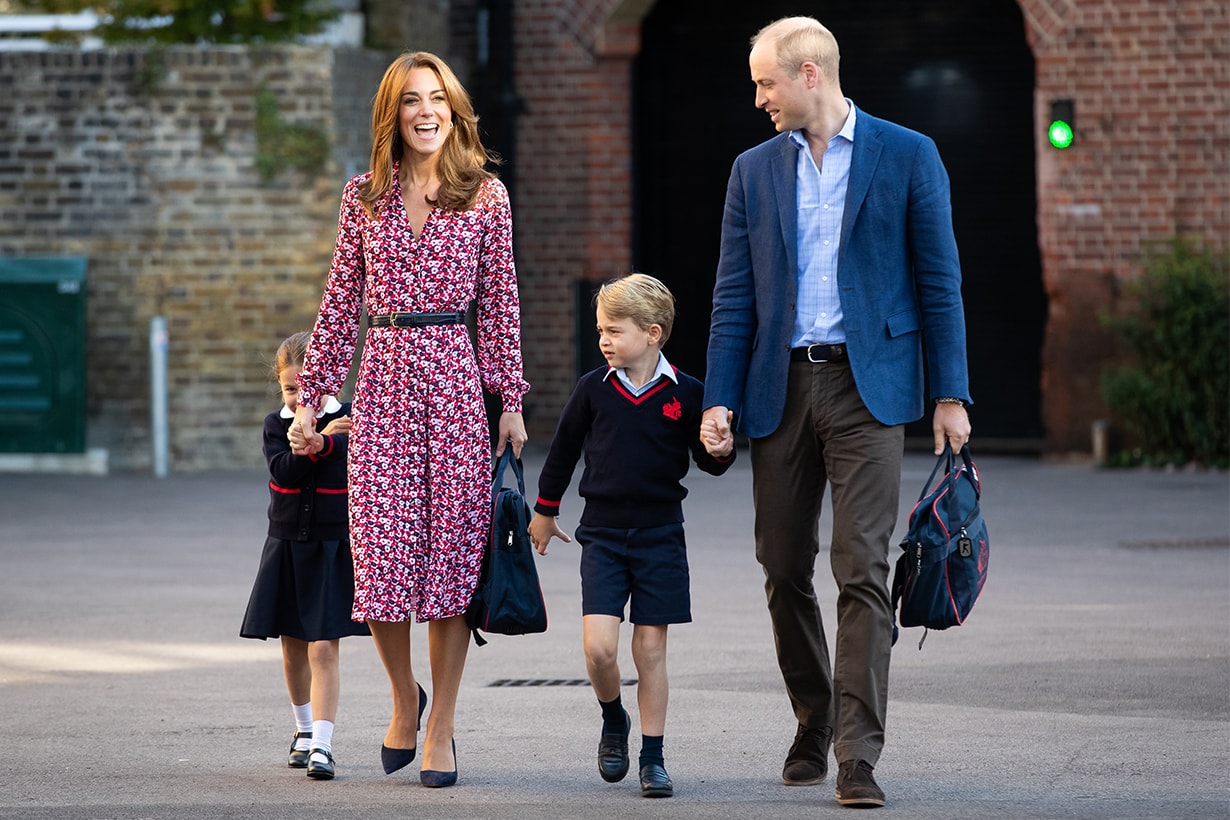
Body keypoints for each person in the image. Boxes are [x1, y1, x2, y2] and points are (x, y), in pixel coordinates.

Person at [700, 16, 972, 809]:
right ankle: (812, 716)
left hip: (869, 387)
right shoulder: (752, 171)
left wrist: (950, 394)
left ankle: (857, 751)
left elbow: (939, 281)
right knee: (782, 566)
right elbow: (733, 296)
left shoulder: (909, 154)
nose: (758, 99)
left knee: (861, 566)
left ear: (810, 73)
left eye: (766, 82)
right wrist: (717, 396)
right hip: (777, 388)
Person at [290, 51, 529, 789]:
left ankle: (444, 727)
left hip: (454, 383)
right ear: (391, 114)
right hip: (385, 385)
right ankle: (403, 700)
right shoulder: (362, 197)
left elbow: (500, 305)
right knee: (385, 559)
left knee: (451, 568)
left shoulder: (486, 197)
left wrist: (511, 399)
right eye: (410, 101)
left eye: (438, 100)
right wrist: (311, 400)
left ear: (454, 110)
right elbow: (336, 309)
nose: (426, 112)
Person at [528, 273, 735, 799]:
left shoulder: (687, 393)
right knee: (599, 650)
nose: (603, 340)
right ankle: (612, 716)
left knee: (649, 651)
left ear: (653, 333)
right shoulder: (592, 389)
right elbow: (562, 455)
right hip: (601, 533)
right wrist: (545, 513)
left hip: (661, 535)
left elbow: (710, 465)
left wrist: (720, 447)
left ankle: (654, 757)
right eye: (600, 329)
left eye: (613, 330)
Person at [240, 330, 370, 781]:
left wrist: (326, 441)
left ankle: (323, 744)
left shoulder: (351, 418)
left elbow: (351, 457)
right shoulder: (276, 425)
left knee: (323, 649)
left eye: (308, 387)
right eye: (291, 388)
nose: (300, 397)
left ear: (330, 380)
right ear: (280, 386)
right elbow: (284, 472)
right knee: (293, 647)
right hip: (287, 545)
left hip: (333, 547)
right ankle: (302, 729)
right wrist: (316, 444)